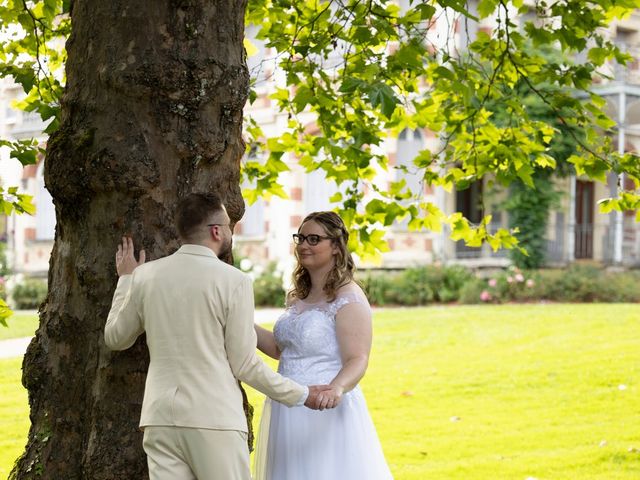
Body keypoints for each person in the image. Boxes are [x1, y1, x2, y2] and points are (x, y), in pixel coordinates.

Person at [104, 193, 331, 480]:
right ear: (216, 231)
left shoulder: (145, 276)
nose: (230, 232)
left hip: (160, 419)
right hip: (214, 418)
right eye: (228, 227)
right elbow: (245, 364)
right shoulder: (234, 281)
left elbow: (115, 338)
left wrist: (125, 280)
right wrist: (302, 394)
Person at [253, 211, 393, 479]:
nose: (304, 245)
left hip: (325, 407)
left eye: (314, 239)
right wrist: (240, 323)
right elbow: (280, 349)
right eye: (301, 237)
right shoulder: (298, 297)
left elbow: (358, 358)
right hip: (288, 404)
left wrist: (337, 388)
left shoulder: (348, 296)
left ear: (336, 248)